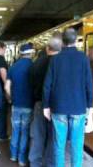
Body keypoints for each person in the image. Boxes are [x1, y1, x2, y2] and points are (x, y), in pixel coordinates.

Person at [43, 28, 93, 167]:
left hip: (58, 108)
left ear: (63, 42)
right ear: (76, 40)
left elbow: (47, 85)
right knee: (76, 146)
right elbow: (89, 84)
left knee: (59, 146)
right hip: (78, 108)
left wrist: (46, 106)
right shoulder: (83, 58)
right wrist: (90, 106)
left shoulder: (55, 59)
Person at [29, 36, 62, 167]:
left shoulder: (36, 63)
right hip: (55, 106)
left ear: (47, 48)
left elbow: (31, 83)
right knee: (53, 137)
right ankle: (50, 163)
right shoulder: (60, 63)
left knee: (37, 135)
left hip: (39, 103)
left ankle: (35, 162)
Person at [5, 44, 35, 166]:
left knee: (15, 130)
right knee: (25, 131)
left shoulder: (13, 67)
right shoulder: (33, 66)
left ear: (20, 53)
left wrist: (10, 98)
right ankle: (22, 159)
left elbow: (7, 87)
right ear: (31, 53)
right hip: (28, 105)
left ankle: (13, 155)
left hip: (16, 104)